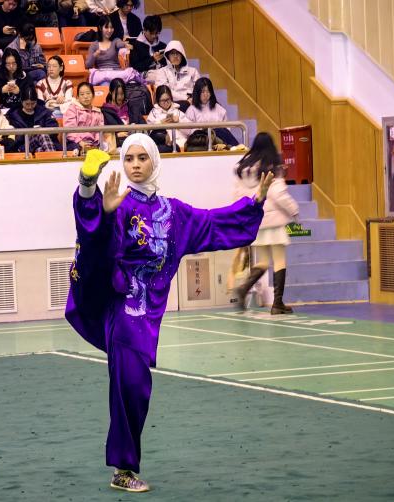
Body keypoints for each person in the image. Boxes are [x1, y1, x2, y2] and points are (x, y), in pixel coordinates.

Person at [65, 134, 272, 492]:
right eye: (129, 158)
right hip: (122, 309)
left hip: (149, 316)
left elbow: (212, 223)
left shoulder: (173, 213)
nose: (135, 165)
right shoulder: (120, 204)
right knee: (130, 386)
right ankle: (123, 470)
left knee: (138, 388)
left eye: (142, 157)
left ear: (155, 161)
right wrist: (92, 195)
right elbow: (94, 243)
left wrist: (254, 202)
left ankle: (124, 467)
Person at [233, 132, 299, 315]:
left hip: (256, 221)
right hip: (274, 222)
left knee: (262, 261)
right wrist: (294, 210)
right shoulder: (272, 166)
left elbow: (238, 196)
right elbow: (278, 194)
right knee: (279, 260)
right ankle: (277, 304)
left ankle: (244, 288)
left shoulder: (244, 169)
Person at [86, 16, 141, 86]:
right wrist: (95, 55)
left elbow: (119, 44)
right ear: (100, 28)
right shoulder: (94, 45)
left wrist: (124, 44)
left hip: (117, 73)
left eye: (111, 27)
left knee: (131, 82)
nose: (109, 30)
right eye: (106, 27)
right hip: (103, 75)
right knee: (106, 85)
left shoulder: (115, 41)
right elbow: (88, 65)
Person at [185, 77, 238, 146]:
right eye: (203, 92)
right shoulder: (191, 110)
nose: (206, 95)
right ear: (197, 93)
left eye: (208, 91)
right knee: (218, 131)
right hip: (200, 140)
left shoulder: (219, 108)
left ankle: (236, 147)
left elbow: (227, 129)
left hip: (218, 140)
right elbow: (188, 132)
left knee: (221, 131)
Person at [8, 84, 60, 152]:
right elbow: (14, 138)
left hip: (44, 143)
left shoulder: (44, 112)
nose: (30, 107)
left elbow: (54, 130)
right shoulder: (14, 116)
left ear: (36, 101)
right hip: (24, 146)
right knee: (40, 132)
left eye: (33, 103)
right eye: (27, 104)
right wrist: (28, 134)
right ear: (21, 101)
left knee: (40, 149)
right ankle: (53, 157)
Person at [154, 40, 200, 111]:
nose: (175, 56)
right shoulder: (162, 72)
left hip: (192, 101)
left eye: (178, 53)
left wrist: (193, 99)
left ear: (182, 55)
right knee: (185, 105)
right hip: (171, 104)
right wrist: (186, 98)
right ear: (168, 56)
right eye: (172, 53)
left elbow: (200, 89)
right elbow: (164, 92)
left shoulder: (193, 71)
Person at [145, 85, 191, 152]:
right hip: (164, 145)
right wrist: (160, 124)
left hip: (181, 142)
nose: (166, 103)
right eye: (163, 100)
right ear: (158, 100)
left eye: (168, 100)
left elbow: (189, 130)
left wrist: (179, 121)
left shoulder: (178, 111)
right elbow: (150, 134)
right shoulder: (153, 113)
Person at [63, 81, 105, 153]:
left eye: (88, 93)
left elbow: (100, 131)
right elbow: (69, 131)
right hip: (75, 142)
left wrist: (96, 143)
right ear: (77, 97)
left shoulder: (98, 112)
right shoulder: (72, 109)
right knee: (75, 148)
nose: (85, 97)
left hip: (92, 143)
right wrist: (80, 142)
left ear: (93, 95)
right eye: (82, 94)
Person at [129, 15, 166, 83]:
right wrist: (152, 59)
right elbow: (136, 67)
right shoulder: (135, 45)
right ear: (144, 30)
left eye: (156, 33)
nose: (154, 36)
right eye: (151, 33)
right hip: (144, 74)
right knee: (158, 77)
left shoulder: (162, 45)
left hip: (161, 71)